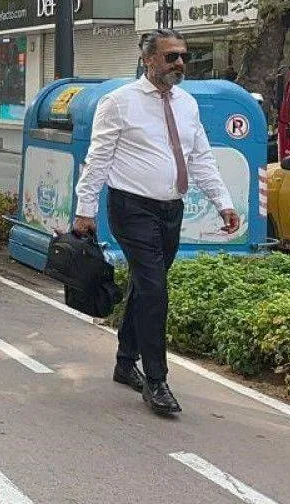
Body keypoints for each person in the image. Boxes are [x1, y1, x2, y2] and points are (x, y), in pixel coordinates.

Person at [73, 29, 238, 415]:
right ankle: (156, 380)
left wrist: (223, 203)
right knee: (154, 288)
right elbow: (98, 159)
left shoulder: (187, 104)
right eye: (171, 57)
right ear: (148, 60)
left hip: (171, 210)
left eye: (183, 57)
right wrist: (85, 209)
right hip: (131, 208)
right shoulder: (119, 102)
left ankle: (124, 362)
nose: (179, 63)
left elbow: (200, 158)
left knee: (146, 286)